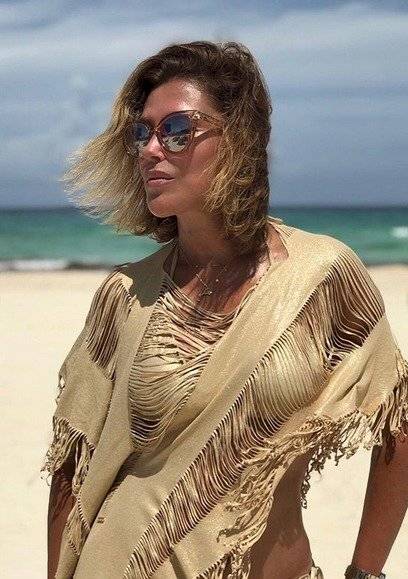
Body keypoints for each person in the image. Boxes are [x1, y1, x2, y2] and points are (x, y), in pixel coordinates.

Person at [41, 41, 408, 579]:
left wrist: (366, 572)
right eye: (142, 133)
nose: (150, 149)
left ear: (238, 139)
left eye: (177, 130)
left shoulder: (321, 277)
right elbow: (72, 471)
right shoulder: (127, 294)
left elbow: (397, 422)